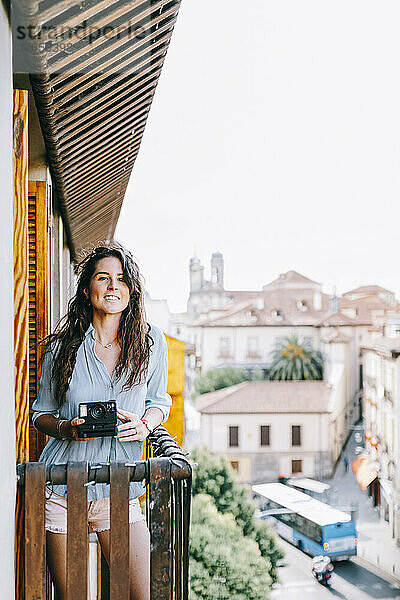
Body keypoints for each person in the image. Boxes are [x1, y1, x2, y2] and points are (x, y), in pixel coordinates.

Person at [32, 244, 171, 600]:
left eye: (122, 280)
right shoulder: (62, 348)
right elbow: (40, 413)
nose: (113, 286)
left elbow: (158, 402)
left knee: (142, 594)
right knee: (74, 595)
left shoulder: (152, 343)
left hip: (120, 487)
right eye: (103, 278)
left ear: (131, 291)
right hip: (63, 486)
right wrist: (67, 429)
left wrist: (145, 425)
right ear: (85, 289)